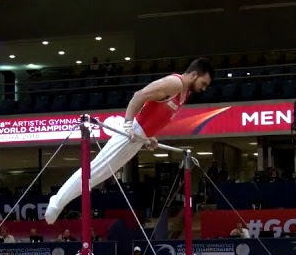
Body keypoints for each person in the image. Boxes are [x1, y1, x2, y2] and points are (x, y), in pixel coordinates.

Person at [45, 59, 213, 224]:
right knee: (95, 171)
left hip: (139, 137)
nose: (204, 88)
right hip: (131, 132)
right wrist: (128, 125)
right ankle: (57, 202)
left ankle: (60, 200)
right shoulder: (174, 83)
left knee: (101, 175)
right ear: (194, 75)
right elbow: (139, 95)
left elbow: (154, 114)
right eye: (203, 83)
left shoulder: (185, 93)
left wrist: (148, 137)